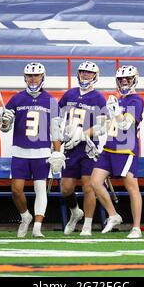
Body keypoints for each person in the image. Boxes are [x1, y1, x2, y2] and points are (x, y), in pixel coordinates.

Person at [0, 62, 63, 238]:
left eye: (36, 75)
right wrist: (4, 121)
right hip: (20, 149)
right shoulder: (16, 99)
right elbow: (4, 127)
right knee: (16, 189)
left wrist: (57, 151)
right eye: (30, 76)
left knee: (40, 188)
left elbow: (55, 130)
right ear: (25, 77)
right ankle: (25, 216)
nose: (33, 79)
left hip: (41, 150)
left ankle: (37, 227)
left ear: (43, 77)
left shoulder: (51, 100)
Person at [90, 65, 144, 239]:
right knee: (95, 182)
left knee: (132, 187)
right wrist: (83, 136)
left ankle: (136, 227)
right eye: (121, 80)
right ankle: (113, 215)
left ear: (134, 80)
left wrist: (117, 111)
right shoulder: (116, 100)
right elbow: (103, 125)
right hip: (109, 147)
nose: (124, 82)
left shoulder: (136, 100)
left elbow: (125, 125)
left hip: (126, 148)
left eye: (127, 79)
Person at [58, 61, 107, 236]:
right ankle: (75, 212)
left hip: (88, 147)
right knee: (66, 188)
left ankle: (87, 224)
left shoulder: (98, 97)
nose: (85, 75)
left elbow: (102, 125)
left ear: (95, 75)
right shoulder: (69, 94)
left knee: (88, 187)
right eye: (83, 72)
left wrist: (83, 133)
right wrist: (61, 135)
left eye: (89, 73)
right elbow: (58, 118)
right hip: (71, 147)